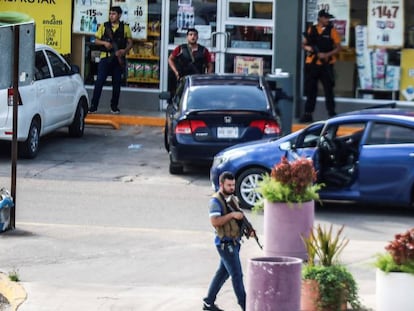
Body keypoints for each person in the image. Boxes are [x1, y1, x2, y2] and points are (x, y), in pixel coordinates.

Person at [203, 171, 248, 311]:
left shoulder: (231, 198)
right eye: (229, 185)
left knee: (222, 273)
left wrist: (247, 229)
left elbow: (239, 219)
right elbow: (215, 221)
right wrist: (232, 215)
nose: (232, 188)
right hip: (225, 245)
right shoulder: (215, 201)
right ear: (221, 184)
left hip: (234, 242)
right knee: (237, 275)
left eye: (233, 185)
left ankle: (208, 302)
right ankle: (246, 305)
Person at [300, 9, 342, 123]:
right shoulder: (312, 29)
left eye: (328, 18)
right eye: (326, 18)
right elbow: (304, 44)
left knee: (329, 90)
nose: (328, 20)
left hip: (326, 64)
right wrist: (312, 49)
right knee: (311, 90)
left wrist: (326, 55)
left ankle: (331, 113)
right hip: (312, 64)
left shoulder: (332, 31)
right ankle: (308, 114)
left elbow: (338, 48)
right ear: (320, 18)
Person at [89, 6, 133, 114]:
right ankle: (93, 106)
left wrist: (124, 51)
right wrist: (105, 43)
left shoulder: (125, 28)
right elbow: (95, 40)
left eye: (113, 14)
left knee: (117, 84)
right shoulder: (104, 26)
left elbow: (130, 42)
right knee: (99, 82)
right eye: (110, 14)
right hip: (105, 57)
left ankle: (114, 106)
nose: (111, 16)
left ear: (119, 15)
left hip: (118, 59)